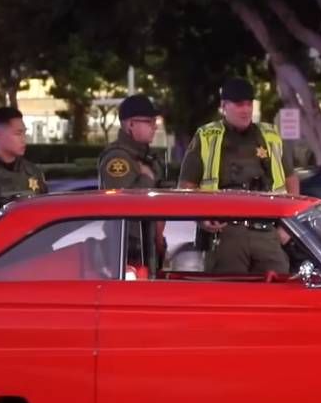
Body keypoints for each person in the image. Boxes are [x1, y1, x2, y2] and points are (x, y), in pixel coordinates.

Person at [178, 78, 300, 274]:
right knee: (228, 295)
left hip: (267, 232)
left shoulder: (270, 136)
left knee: (277, 292)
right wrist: (201, 218)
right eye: (239, 104)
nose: (246, 110)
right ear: (224, 106)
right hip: (225, 234)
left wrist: (288, 226)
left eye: (249, 104)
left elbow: (291, 179)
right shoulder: (207, 136)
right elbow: (186, 185)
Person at [99, 95, 166, 263]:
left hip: (149, 244)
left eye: (155, 121)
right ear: (131, 124)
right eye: (149, 122)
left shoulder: (148, 156)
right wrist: (146, 178)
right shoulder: (117, 159)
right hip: (128, 250)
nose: (155, 126)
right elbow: (122, 204)